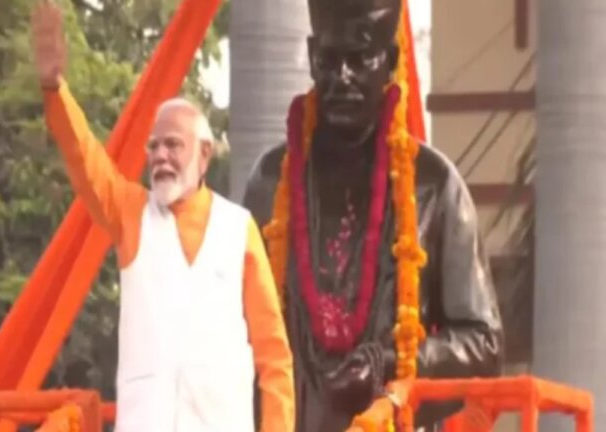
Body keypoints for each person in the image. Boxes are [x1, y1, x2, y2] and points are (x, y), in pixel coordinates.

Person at [30, 1, 295, 431]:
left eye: (173, 145)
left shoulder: (237, 228)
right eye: (154, 147)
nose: (160, 156)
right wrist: (54, 89)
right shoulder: (132, 213)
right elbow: (86, 162)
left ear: (204, 154)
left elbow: (273, 355)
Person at [242, 0, 504, 430]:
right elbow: (228, 325)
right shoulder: (270, 182)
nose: (342, 77)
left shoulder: (433, 186)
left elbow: (484, 343)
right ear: (311, 57)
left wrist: (385, 363)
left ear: (392, 61)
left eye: (360, 58)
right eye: (329, 60)